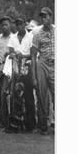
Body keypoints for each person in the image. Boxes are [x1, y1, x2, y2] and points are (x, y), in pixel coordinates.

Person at [6, 17, 36, 133]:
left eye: (21, 23)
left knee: (29, 98)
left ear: (25, 24)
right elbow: (10, 51)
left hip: (27, 70)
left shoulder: (31, 37)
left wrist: (22, 56)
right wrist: (14, 54)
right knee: (15, 97)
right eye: (17, 24)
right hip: (15, 70)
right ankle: (15, 125)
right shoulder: (13, 37)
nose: (19, 26)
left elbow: (33, 54)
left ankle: (31, 125)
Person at [32, 7, 55, 135]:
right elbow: (33, 54)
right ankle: (43, 126)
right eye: (42, 16)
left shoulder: (57, 30)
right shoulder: (37, 33)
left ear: (51, 17)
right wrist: (34, 76)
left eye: (46, 16)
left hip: (56, 63)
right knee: (42, 94)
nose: (44, 18)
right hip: (42, 63)